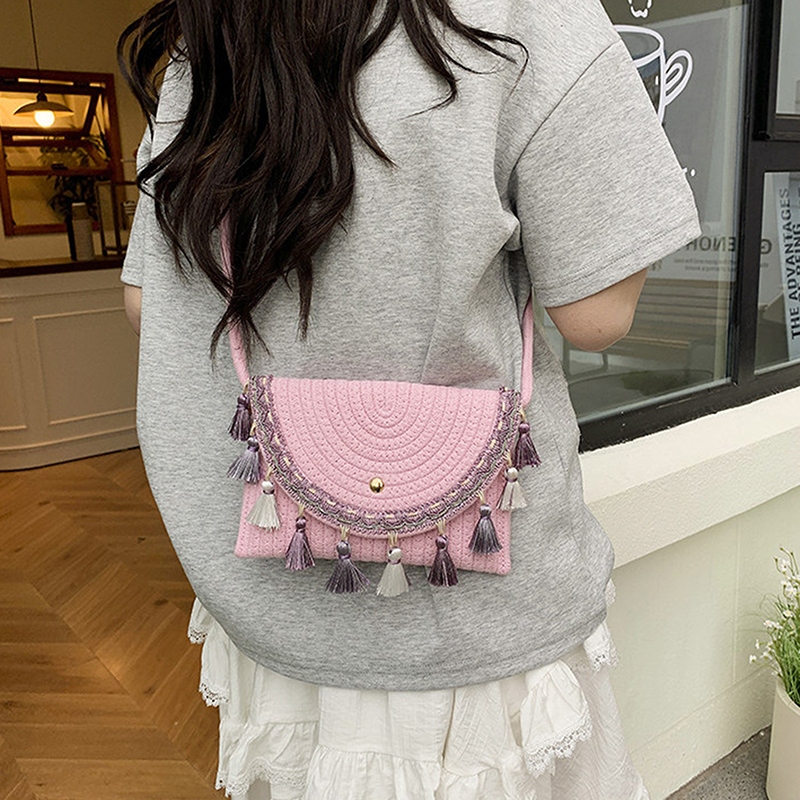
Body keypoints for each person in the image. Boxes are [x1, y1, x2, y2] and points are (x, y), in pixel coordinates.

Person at [117, 0, 701, 796]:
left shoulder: (212, 34)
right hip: (481, 637)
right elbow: (597, 314)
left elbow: (146, 304)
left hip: (269, 611)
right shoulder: (529, 16)